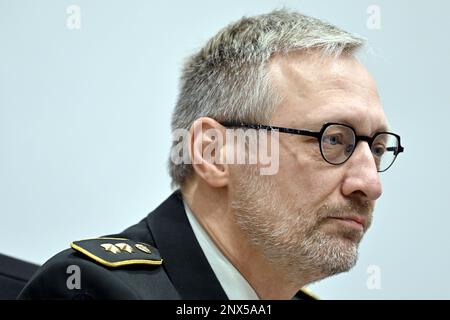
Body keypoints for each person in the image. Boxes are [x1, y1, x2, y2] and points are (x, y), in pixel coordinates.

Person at [18, 9, 404, 300]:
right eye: (334, 140)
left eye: (379, 148)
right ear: (214, 153)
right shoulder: (92, 291)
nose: (371, 184)